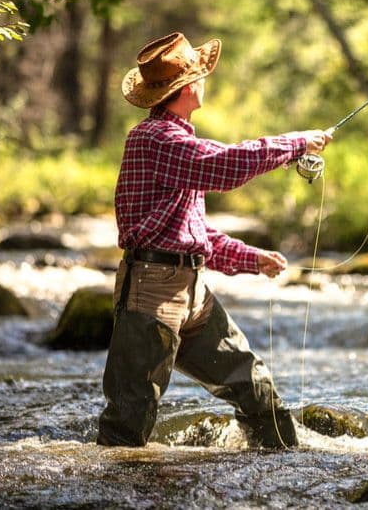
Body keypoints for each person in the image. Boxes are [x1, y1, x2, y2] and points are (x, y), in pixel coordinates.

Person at [96, 32, 331, 449]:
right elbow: (224, 166)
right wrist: (296, 143)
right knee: (129, 423)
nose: (206, 81)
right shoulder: (155, 140)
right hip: (150, 295)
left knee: (254, 387)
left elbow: (192, 232)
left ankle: (284, 465)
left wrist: (251, 258)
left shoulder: (177, 142)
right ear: (188, 87)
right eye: (202, 76)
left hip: (194, 294)